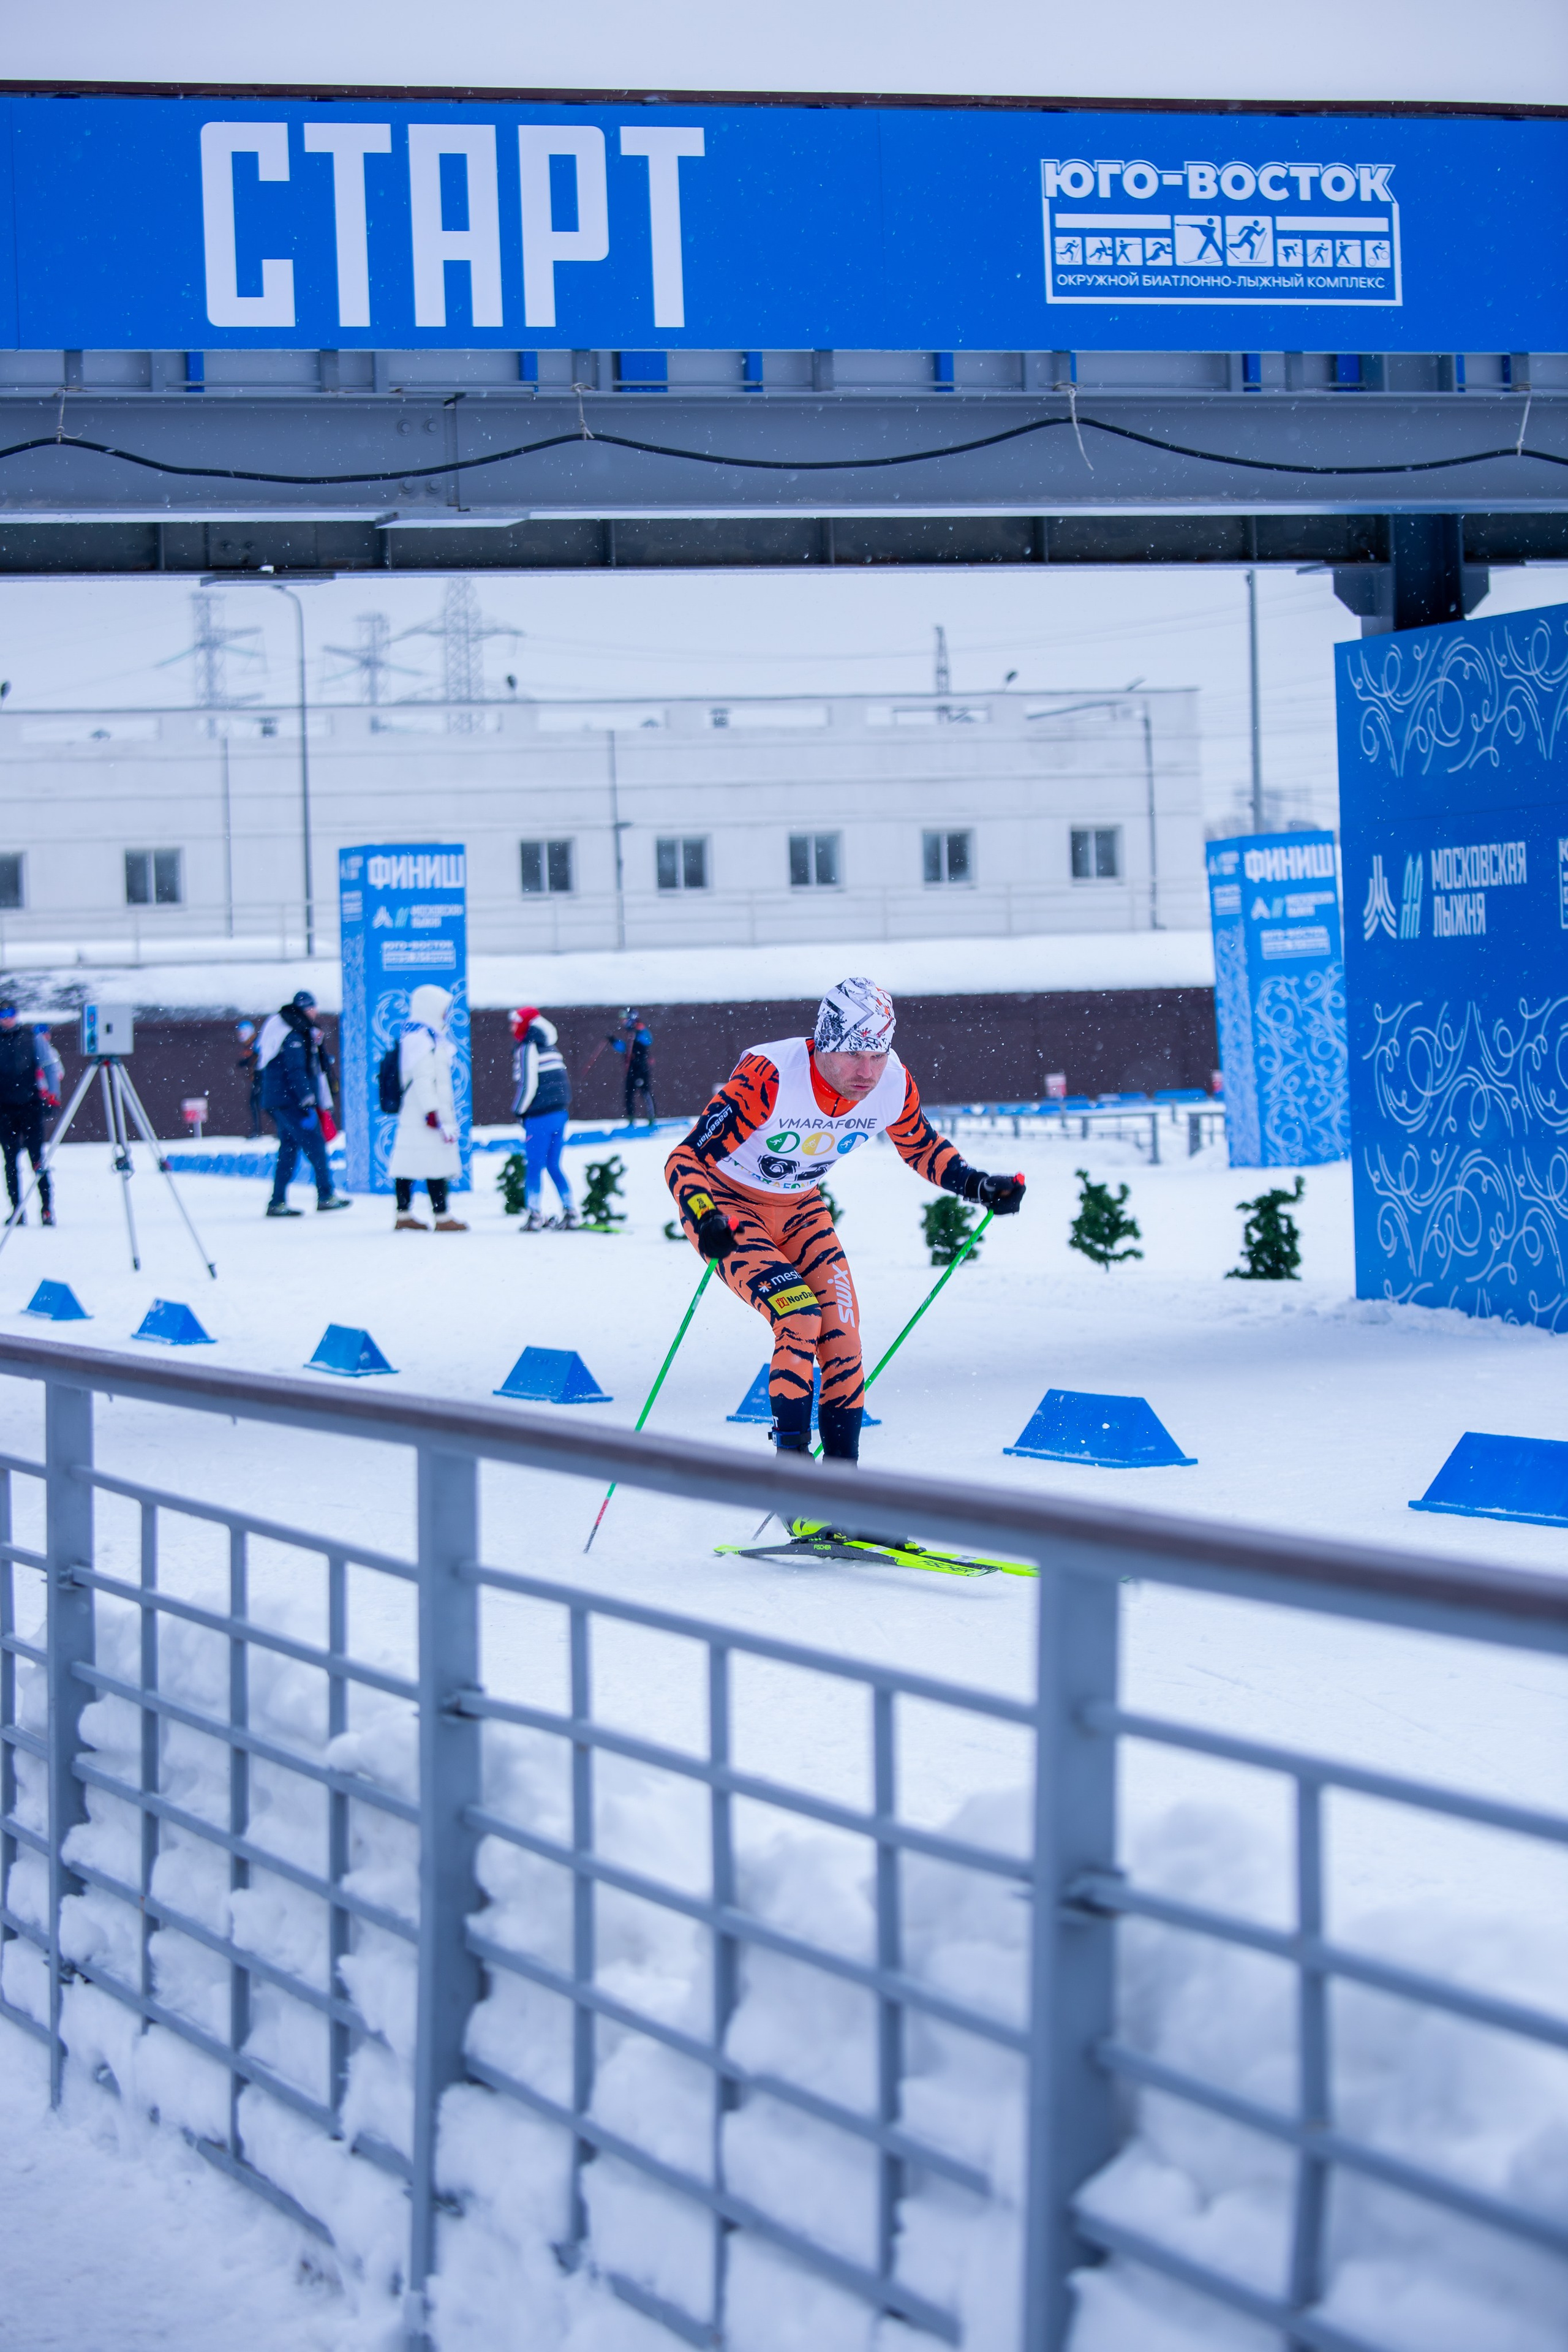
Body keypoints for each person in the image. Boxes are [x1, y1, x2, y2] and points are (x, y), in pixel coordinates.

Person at [665, 977, 1025, 1464]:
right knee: (799, 1317)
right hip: (729, 1208)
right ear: (825, 1043)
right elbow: (685, 1157)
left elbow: (920, 1146)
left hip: (800, 1209)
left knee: (844, 1339)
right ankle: (792, 1475)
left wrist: (978, 1185)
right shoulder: (771, 1076)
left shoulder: (892, 1083)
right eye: (854, 1053)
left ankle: (841, 1482)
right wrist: (704, 1214)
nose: (867, 1071)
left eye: (878, 1054)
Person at [260, 990, 351, 1218]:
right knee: (316, 1147)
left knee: (289, 1150)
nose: (314, 1011)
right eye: (310, 1007)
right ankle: (326, 1196)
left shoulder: (290, 1030)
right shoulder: (295, 1035)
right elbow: (296, 1070)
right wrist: (307, 1099)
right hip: (292, 1103)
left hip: (280, 1101)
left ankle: (277, 1201)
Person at [391, 984, 467, 1231]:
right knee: (435, 1164)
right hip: (423, 1114)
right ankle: (442, 1217)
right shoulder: (421, 1040)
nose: (445, 1014)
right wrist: (433, 1112)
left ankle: (404, 1214)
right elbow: (424, 1079)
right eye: (442, 1008)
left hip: (417, 1113)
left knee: (410, 1163)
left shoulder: (420, 1036)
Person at [511, 1006, 576, 1232]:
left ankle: (534, 1215)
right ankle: (570, 1212)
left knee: (534, 1166)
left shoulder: (528, 1047)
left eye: (515, 1022)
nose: (512, 1027)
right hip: (559, 1113)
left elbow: (528, 1084)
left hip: (539, 1115)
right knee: (553, 1165)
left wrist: (519, 1110)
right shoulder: (549, 1045)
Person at [0, 1003, 54, 1226]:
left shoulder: (31, 1038)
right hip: (5, 1109)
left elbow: (50, 1066)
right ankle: (17, 1210)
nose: (7, 1019)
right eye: (2, 1015)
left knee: (37, 1159)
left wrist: (53, 1094)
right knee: (10, 1161)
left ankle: (47, 1208)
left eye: (10, 1014)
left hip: (30, 1106)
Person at [609, 1009, 657, 1126]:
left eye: (625, 1019)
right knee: (629, 1094)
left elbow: (648, 1041)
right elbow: (625, 1048)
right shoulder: (629, 1032)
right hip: (631, 1068)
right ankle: (631, 1119)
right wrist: (613, 1041)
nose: (623, 1022)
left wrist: (639, 1033)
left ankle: (652, 1119)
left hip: (642, 1067)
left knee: (645, 1092)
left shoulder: (640, 1028)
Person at [235, 1020, 263, 1139]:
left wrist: (247, 1061)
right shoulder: (252, 1043)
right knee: (256, 1104)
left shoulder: (256, 1042)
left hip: (262, 1078)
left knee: (263, 1104)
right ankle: (257, 1130)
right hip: (258, 1078)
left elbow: (258, 1058)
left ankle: (258, 1130)